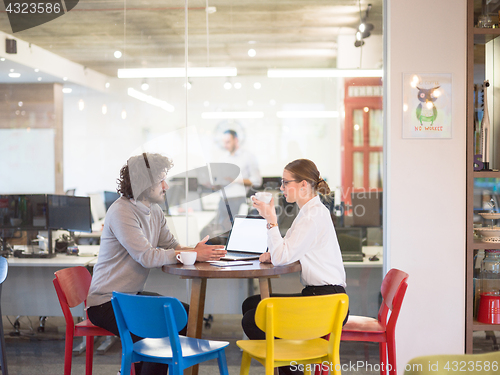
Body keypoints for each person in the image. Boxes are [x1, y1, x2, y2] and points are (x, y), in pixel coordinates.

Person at [86, 153, 227, 375]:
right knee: (162, 331)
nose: (166, 186)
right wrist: (188, 254)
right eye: (161, 180)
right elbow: (147, 257)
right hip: (106, 302)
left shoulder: (154, 211)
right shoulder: (122, 211)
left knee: (187, 314)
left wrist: (194, 252)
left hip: (129, 297)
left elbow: (172, 245)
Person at [241, 159, 347, 375]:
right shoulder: (310, 212)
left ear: (304, 185)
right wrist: (274, 253)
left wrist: (271, 219)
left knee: (251, 318)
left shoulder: (312, 216)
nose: (281, 188)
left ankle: (290, 366)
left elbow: (283, 257)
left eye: (285, 182)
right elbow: (287, 251)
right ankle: (291, 364)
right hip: (324, 297)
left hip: (325, 301)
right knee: (252, 303)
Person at [202, 129, 262, 241]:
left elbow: (257, 180)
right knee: (220, 233)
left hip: (238, 200)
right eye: (224, 142)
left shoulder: (248, 156)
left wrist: (236, 180)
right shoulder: (224, 158)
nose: (226, 145)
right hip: (223, 200)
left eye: (228, 141)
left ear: (236, 140)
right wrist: (213, 184)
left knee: (237, 233)